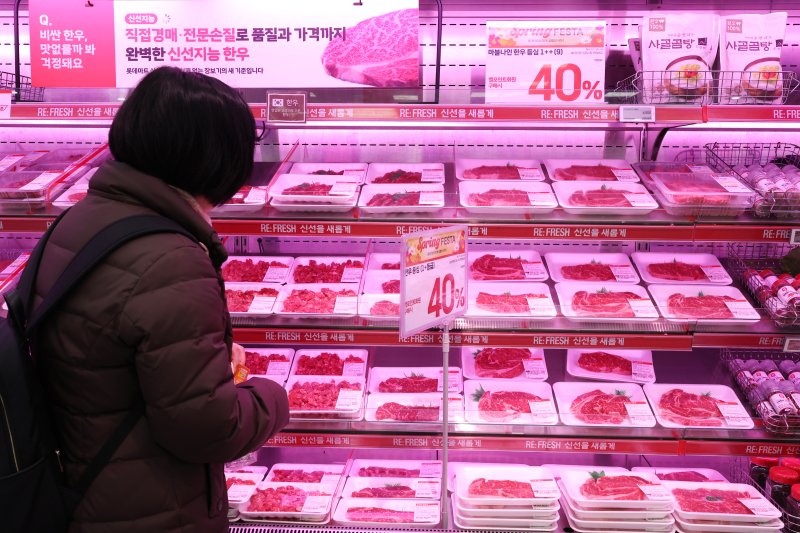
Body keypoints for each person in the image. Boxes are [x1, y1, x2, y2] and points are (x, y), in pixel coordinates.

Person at [31, 66, 289, 532]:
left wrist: (198, 358)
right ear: (215, 159)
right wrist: (272, 396)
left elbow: (106, 350)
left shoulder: (80, 220)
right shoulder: (169, 257)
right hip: (151, 508)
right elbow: (208, 428)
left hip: (85, 486)